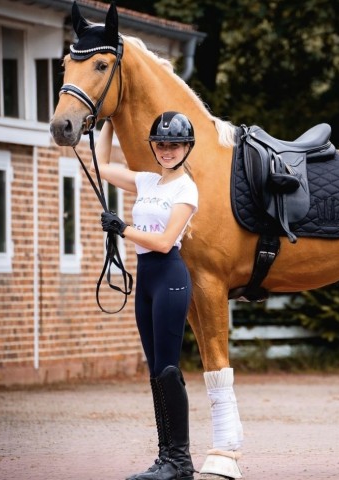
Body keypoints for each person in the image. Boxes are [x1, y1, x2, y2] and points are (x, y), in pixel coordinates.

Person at [94, 112, 198, 480]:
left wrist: (123, 228)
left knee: (168, 369)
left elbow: (166, 240)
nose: (167, 150)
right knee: (155, 372)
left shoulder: (186, 189)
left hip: (169, 277)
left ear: (187, 148)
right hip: (146, 282)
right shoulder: (148, 181)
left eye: (174, 144)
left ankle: (180, 461)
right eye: (161, 144)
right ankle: (165, 457)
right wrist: (108, 118)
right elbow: (103, 165)